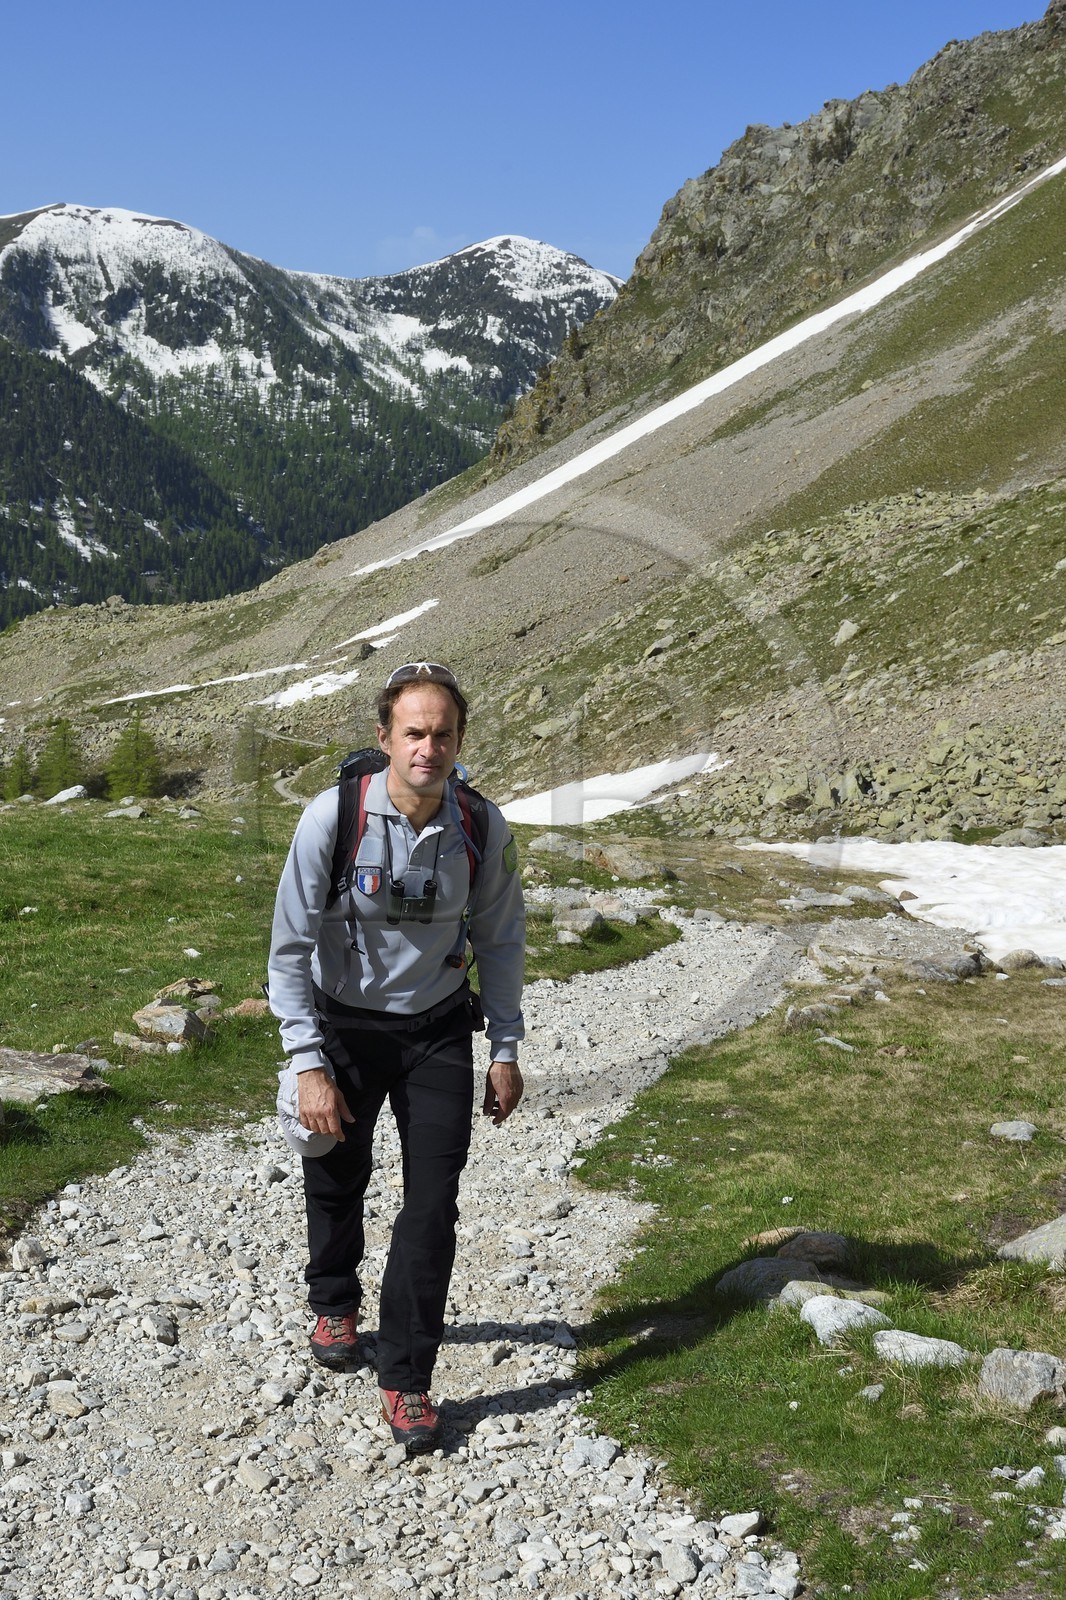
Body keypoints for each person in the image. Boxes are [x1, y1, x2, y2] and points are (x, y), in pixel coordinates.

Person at [267, 662, 525, 1454]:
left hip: (437, 1030)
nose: (429, 747)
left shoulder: (481, 826)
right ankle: (335, 1300)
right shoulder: (331, 818)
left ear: (459, 741)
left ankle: (408, 1378)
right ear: (385, 739)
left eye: (443, 733)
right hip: (343, 1027)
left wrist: (505, 1047)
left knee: (432, 1203)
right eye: (414, 732)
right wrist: (308, 1063)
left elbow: (501, 940)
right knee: (338, 1172)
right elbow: (288, 952)